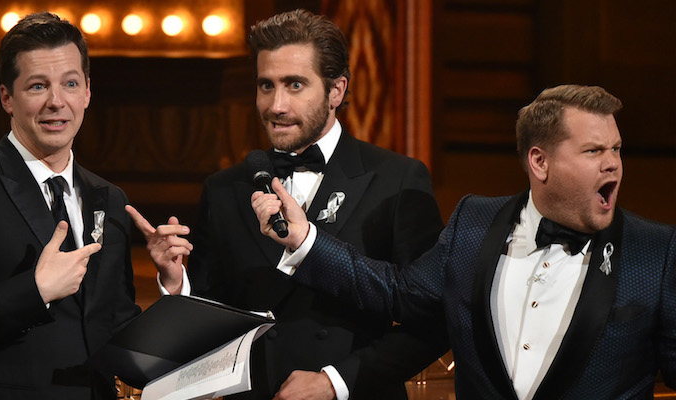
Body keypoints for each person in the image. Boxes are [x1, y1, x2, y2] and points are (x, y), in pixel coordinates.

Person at [252, 84, 676, 398]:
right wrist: (305, 238)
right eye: (594, 151)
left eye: (616, 150)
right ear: (540, 162)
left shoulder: (656, 252)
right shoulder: (474, 222)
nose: (613, 165)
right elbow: (398, 292)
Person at [126, 8, 444, 400]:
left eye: (295, 85)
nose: (276, 105)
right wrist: (176, 285)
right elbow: (213, 316)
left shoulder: (396, 180)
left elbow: (432, 320)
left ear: (336, 91)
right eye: (266, 86)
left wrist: (334, 382)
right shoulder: (225, 188)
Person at [0, 12, 140, 400]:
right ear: (7, 98)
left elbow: (113, 325)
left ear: (87, 92)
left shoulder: (109, 198)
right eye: (37, 86)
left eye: (70, 83)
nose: (56, 102)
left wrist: (171, 286)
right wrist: (34, 292)